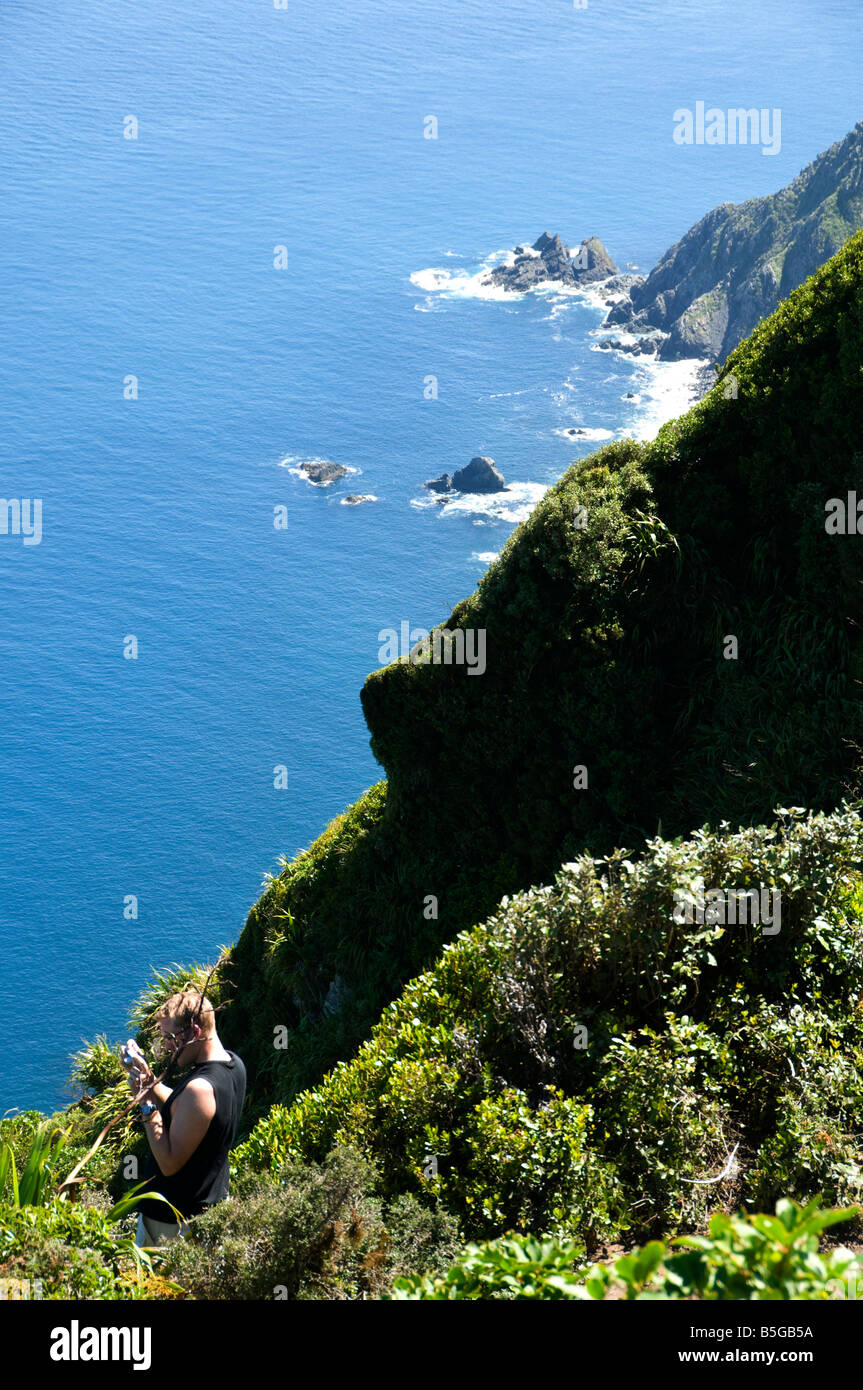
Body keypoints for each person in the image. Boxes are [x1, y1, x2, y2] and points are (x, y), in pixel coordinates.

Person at [121, 989, 246, 1248]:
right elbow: (184, 1107)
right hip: (205, 1212)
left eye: (171, 1038)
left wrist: (145, 1103)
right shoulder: (233, 1066)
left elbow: (169, 1162)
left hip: (174, 1227)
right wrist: (149, 1080)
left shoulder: (199, 1089)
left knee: (156, 1289)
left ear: (195, 1033)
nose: (167, 1046)